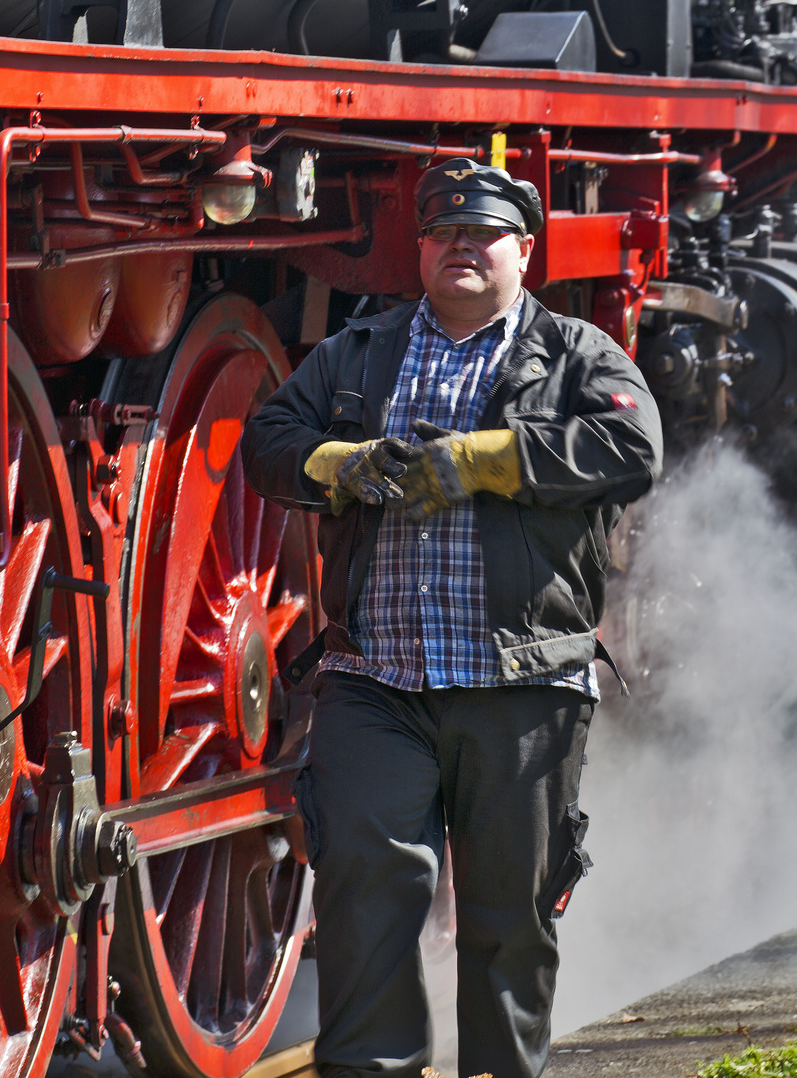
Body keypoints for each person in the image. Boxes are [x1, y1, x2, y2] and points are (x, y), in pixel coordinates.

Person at [240, 157, 663, 1078]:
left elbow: (634, 445)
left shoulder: (580, 353)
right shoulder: (358, 352)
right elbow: (267, 440)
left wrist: (481, 459)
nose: (463, 247)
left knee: (511, 921)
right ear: (420, 248)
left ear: (524, 251)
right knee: (366, 901)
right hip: (377, 683)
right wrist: (339, 467)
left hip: (521, 684)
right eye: (444, 233)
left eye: (484, 234)